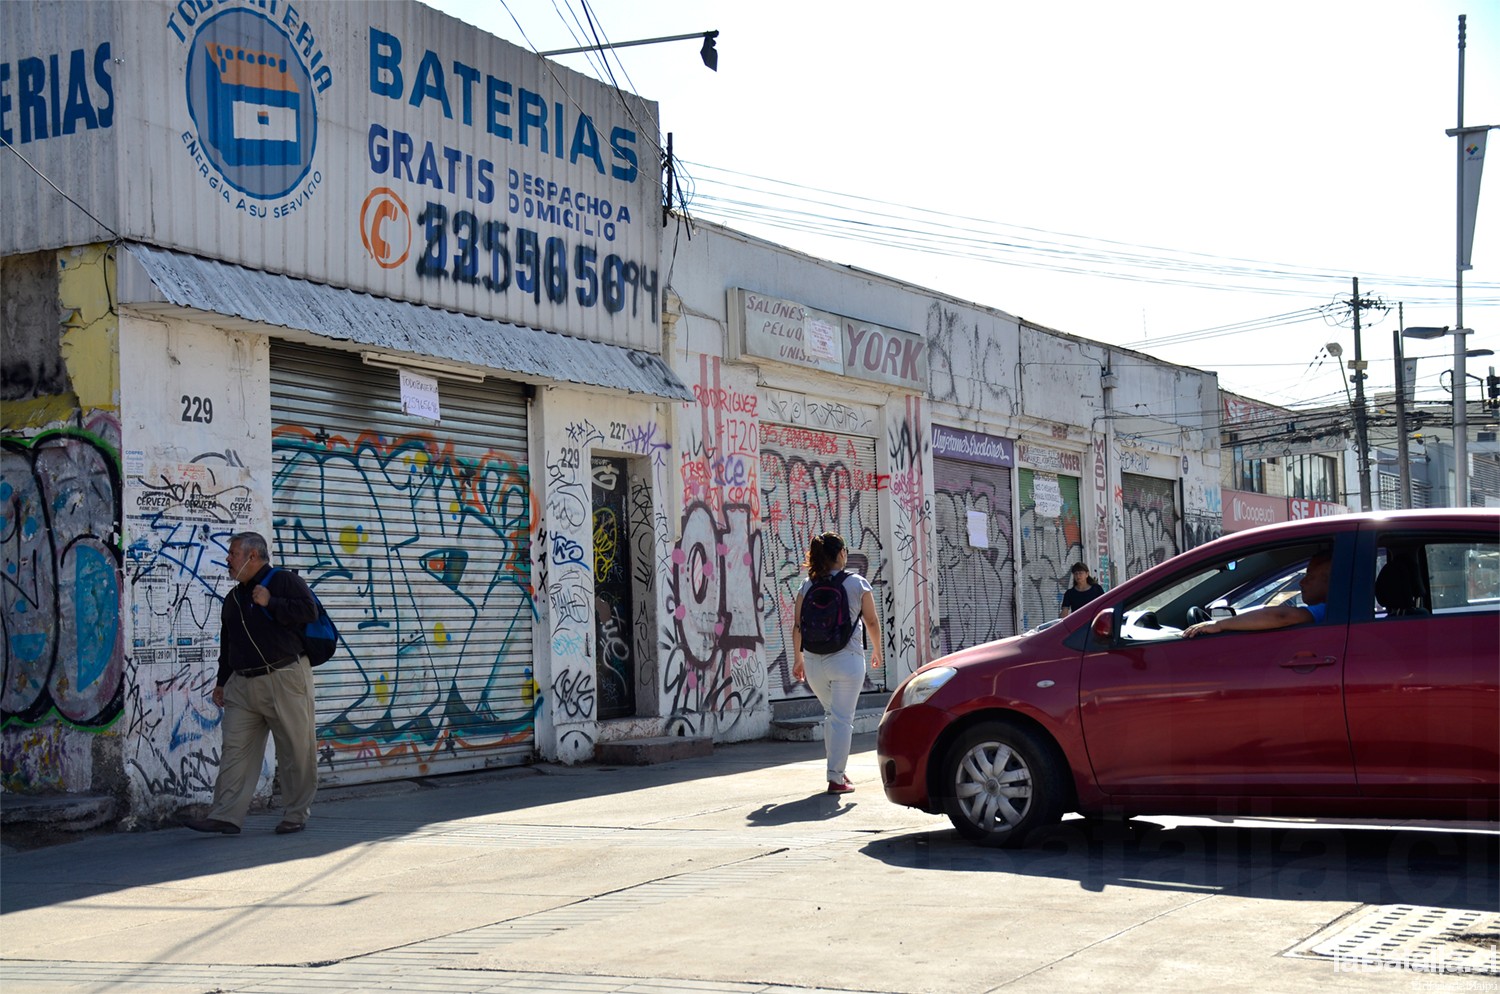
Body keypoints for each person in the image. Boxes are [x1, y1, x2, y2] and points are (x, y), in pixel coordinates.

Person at [181, 531, 320, 836]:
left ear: (252, 556)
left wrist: (272, 602)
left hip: (284, 677)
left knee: (295, 749)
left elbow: (309, 611)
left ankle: (296, 814)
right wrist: (221, 682)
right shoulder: (233, 598)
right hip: (242, 684)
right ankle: (226, 815)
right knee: (235, 750)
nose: (228, 559)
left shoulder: (283, 580)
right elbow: (229, 642)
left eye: (233, 554)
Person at [791, 532, 883, 795]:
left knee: (832, 715)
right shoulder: (857, 583)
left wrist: (798, 659)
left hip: (814, 663)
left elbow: (797, 626)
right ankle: (836, 778)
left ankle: (837, 770)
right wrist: (877, 650)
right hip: (847, 660)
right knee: (842, 719)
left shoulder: (806, 586)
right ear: (842, 553)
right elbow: (871, 621)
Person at [1183, 551, 1332, 638]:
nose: (1302, 582)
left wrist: (1219, 625)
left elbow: (1282, 617)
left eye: (1310, 576)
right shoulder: (1333, 613)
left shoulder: (1327, 611)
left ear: (1331, 580)